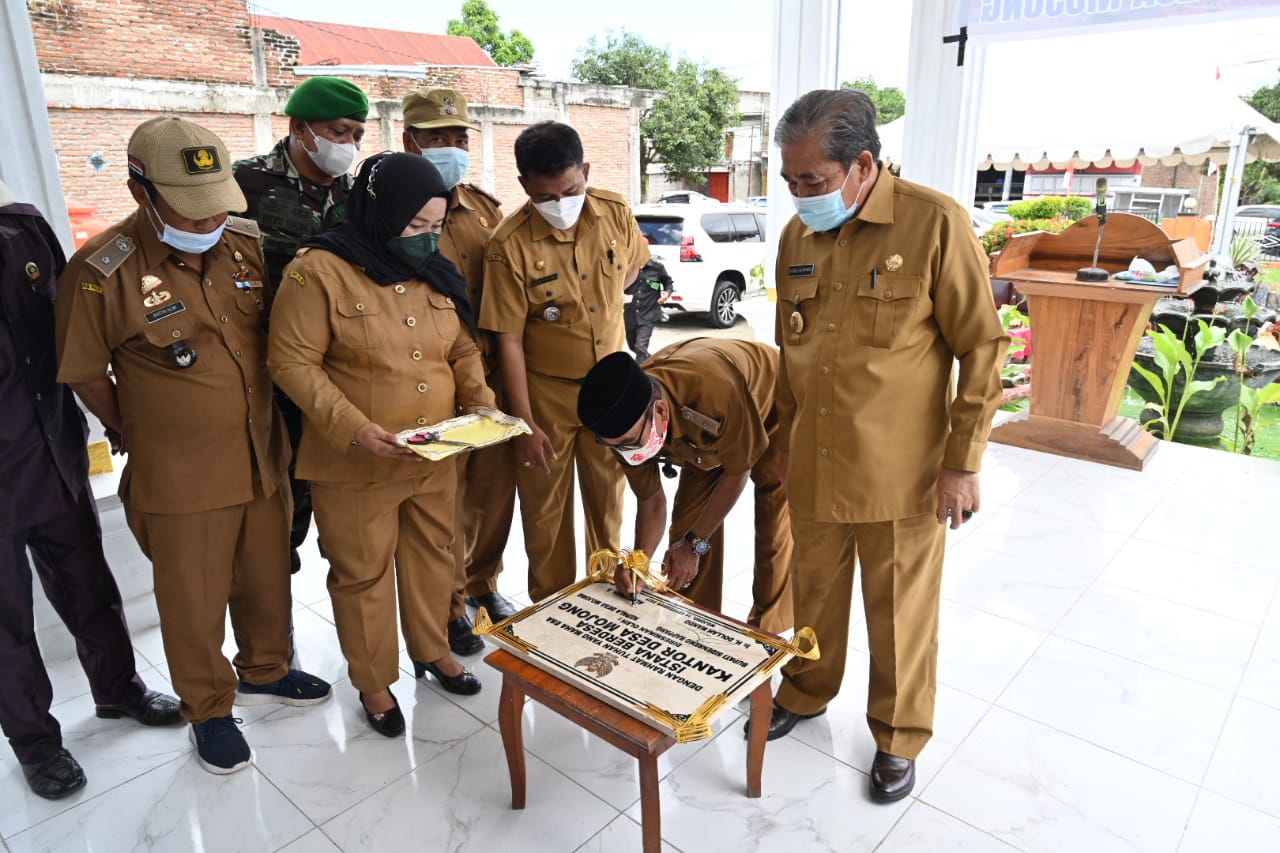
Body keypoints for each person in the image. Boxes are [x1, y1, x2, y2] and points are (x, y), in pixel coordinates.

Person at [55, 117, 332, 776]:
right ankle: (208, 708)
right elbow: (85, 371)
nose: (209, 222)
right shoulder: (99, 272)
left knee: (267, 578)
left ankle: (266, 668)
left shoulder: (242, 243)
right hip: (181, 475)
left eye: (217, 206)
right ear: (139, 190)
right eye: (192, 209)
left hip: (261, 454)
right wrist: (131, 427)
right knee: (193, 601)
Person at [761, 89, 1007, 803]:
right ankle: (806, 690)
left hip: (902, 474)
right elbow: (789, 351)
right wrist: (781, 440)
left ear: (862, 164)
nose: (800, 195)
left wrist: (963, 462)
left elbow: (983, 347)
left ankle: (898, 736)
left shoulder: (933, 224)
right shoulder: (796, 238)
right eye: (790, 181)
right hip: (815, 459)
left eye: (812, 181)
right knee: (816, 595)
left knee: (899, 613)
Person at [268, 153, 495, 736]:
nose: (427, 239)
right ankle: (373, 682)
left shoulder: (431, 266)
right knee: (362, 574)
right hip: (355, 464)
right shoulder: (318, 271)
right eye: (415, 225)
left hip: (435, 454)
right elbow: (291, 362)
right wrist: (354, 426)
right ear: (380, 210)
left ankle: (432, 649)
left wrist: (479, 399)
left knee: (434, 558)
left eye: (436, 226)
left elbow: (462, 347)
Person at [0, 181, 181, 799]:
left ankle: (118, 690)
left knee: (88, 584)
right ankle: (35, 744)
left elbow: (67, 331)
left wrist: (109, 413)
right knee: (7, 623)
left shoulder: (22, 226)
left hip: (50, 448)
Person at [480, 121, 650, 602]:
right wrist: (525, 423)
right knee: (545, 517)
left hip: (612, 392)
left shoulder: (615, 212)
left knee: (608, 504)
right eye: (545, 197)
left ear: (586, 172)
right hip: (546, 395)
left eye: (571, 190)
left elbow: (635, 263)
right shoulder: (507, 244)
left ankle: (608, 598)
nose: (560, 204)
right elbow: (508, 340)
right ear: (524, 187)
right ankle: (552, 613)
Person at [234, 75, 368, 576]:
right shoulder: (243, 185)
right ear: (298, 127)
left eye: (356, 134)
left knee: (345, 524)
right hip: (267, 379)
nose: (348, 145)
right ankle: (276, 641)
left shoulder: (358, 195)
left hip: (339, 379)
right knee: (275, 523)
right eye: (338, 131)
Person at [400, 86, 518, 654]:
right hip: (426, 386)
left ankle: (482, 584)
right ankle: (449, 610)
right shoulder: (386, 212)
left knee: (493, 497)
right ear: (410, 143)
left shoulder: (483, 210)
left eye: (458, 138)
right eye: (437, 138)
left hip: (489, 382)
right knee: (441, 508)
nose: (451, 147)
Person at [577, 341, 793, 633]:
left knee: (772, 531)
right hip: (704, 441)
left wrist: (695, 544)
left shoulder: (715, 389)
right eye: (617, 447)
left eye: (632, 443)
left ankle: (766, 636)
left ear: (661, 412)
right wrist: (638, 560)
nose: (630, 453)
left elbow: (738, 468)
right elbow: (651, 501)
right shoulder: (622, 427)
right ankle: (695, 627)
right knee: (685, 534)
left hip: (773, 409)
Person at [623, 257, 674, 363]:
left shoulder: (657, 268)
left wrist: (667, 293)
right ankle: (656, 363)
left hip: (648, 315)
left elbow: (668, 282)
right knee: (633, 346)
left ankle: (639, 376)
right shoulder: (627, 267)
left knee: (640, 347)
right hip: (630, 315)